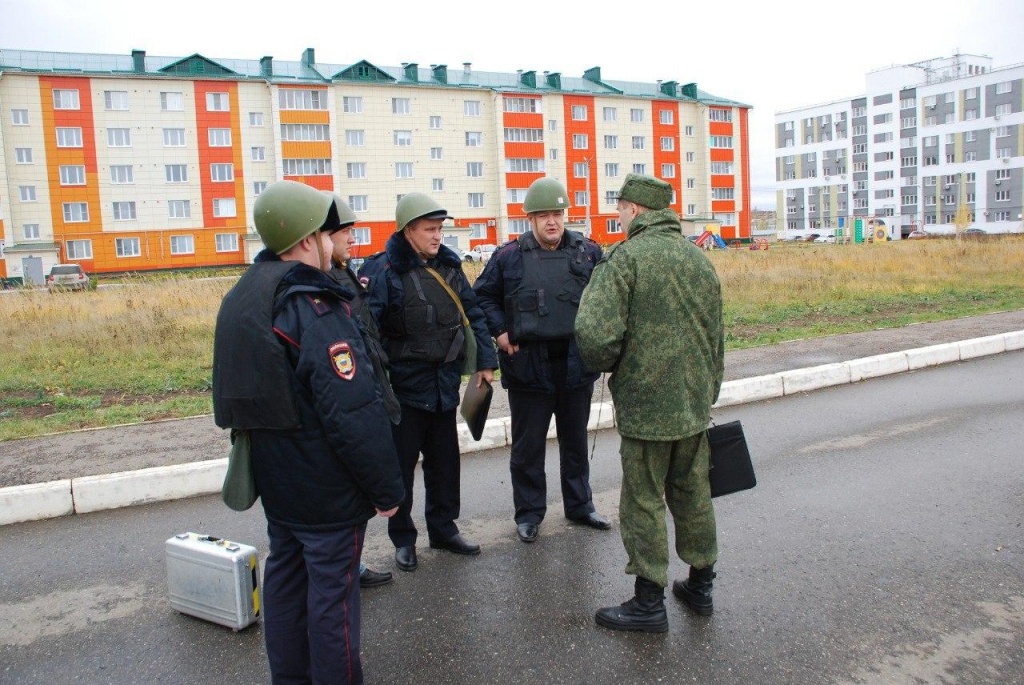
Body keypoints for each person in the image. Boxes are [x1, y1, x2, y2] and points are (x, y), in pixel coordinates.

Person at [212, 180, 405, 682]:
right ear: (306, 239)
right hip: (326, 489)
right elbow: (353, 409)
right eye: (326, 232)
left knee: (286, 583)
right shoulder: (312, 306)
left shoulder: (243, 297)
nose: (332, 242)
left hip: (278, 482)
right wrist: (386, 489)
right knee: (332, 601)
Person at [574, 174, 725, 633]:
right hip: (694, 402)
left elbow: (594, 335)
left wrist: (609, 362)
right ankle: (700, 584)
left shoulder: (625, 260)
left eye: (619, 208)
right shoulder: (699, 260)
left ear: (635, 209)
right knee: (694, 493)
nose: (618, 217)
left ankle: (648, 600)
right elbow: (717, 335)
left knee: (642, 500)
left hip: (646, 407)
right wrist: (707, 390)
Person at [358, 192, 498, 572]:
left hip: (444, 386)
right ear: (407, 231)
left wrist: (485, 361)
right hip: (404, 391)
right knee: (402, 468)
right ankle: (403, 538)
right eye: (429, 230)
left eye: (440, 229)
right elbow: (366, 332)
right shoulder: (384, 272)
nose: (438, 236)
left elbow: (474, 313)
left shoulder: (450, 267)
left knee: (444, 464)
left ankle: (443, 528)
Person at [473, 177, 610, 543]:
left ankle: (581, 506)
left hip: (575, 366)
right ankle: (530, 513)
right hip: (528, 367)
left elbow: (608, 297)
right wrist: (500, 332)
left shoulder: (588, 252)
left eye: (558, 214)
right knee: (528, 446)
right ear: (530, 219)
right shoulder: (508, 257)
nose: (553, 221)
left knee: (576, 442)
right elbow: (481, 298)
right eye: (544, 215)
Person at [325, 191, 402, 590]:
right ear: (324, 235)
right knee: (347, 489)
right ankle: (344, 570)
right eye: (345, 233)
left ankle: (350, 566)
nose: (352, 239)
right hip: (353, 391)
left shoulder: (344, 273)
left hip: (372, 382)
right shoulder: (327, 279)